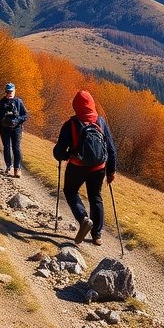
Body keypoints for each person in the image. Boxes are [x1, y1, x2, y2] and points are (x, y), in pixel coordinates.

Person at [52, 90, 117, 245]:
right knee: (95, 197)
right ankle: (97, 235)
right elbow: (111, 149)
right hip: (98, 168)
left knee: (70, 191)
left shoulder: (71, 124)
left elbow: (59, 151)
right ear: (92, 104)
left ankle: (83, 219)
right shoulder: (100, 122)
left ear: (76, 106)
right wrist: (111, 172)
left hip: (77, 167)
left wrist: (67, 156)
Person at [0, 82, 28, 177]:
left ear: (14, 91)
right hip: (4, 128)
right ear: (5, 92)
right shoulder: (2, 102)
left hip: (16, 128)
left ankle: (17, 169)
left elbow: (25, 115)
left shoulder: (19, 102)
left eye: (11, 91)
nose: (10, 93)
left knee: (16, 147)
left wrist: (16, 121)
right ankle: (8, 166)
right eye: (8, 92)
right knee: (7, 147)